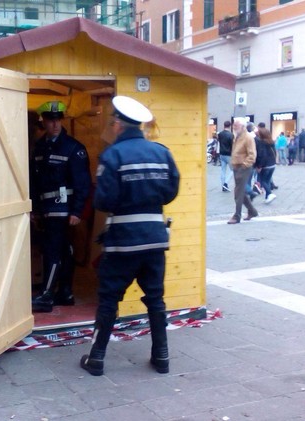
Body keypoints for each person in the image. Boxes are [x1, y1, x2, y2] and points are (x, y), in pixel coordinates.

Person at [80, 96, 179, 376]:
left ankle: (97, 358)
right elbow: (171, 191)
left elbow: (103, 200)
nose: (112, 127)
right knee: (155, 298)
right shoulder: (162, 152)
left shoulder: (113, 155)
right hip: (155, 239)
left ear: (119, 124)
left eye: (113, 122)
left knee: (110, 299)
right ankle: (162, 357)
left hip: (123, 242)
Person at [30, 101, 91, 313]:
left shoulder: (73, 148)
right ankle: (65, 292)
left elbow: (83, 183)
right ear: (43, 122)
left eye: (58, 120)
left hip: (64, 210)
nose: (55, 125)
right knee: (63, 250)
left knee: (52, 250)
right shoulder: (39, 148)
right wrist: (35, 208)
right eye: (50, 120)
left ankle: (47, 295)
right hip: (46, 209)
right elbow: (34, 182)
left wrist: (77, 211)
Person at [227, 118, 258, 224]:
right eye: (234, 125)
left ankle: (237, 216)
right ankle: (252, 211)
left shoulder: (248, 138)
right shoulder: (237, 136)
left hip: (243, 167)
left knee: (238, 193)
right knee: (240, 192)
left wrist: (244, 165)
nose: (234, 127)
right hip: (237, 167)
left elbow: (252, 154)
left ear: (243, 127)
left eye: (236, 126)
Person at [255, 126, 277, 204]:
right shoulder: (271, 142)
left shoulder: (261, 143)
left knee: (263, 181)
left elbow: (261, 155)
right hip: (272, 164)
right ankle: (267, 197)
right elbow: (275, 152)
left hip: (266, 165)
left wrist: (259, 166)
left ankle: (270, 193)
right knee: (267, 181)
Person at [217, 121, 234, 192]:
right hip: (229, 155)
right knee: (233, 170)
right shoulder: (231, 135)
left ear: (224, 125)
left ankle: (223, 186)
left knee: (223, 170)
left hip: (222, 154)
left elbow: (219, 142)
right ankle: (225, 183)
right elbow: (232, 146)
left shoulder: (220, 134)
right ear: (230, 126)